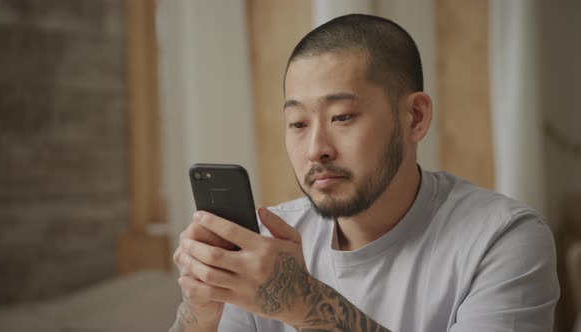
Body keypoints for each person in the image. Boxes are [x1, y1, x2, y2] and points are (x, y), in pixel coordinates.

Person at [169, 14, 559, 332]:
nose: (316, 148)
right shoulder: (265, 245)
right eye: (298, 123)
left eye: (342, 117)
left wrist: (305, 305)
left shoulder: (502, 238)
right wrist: (199, 316)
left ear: (415, 117)